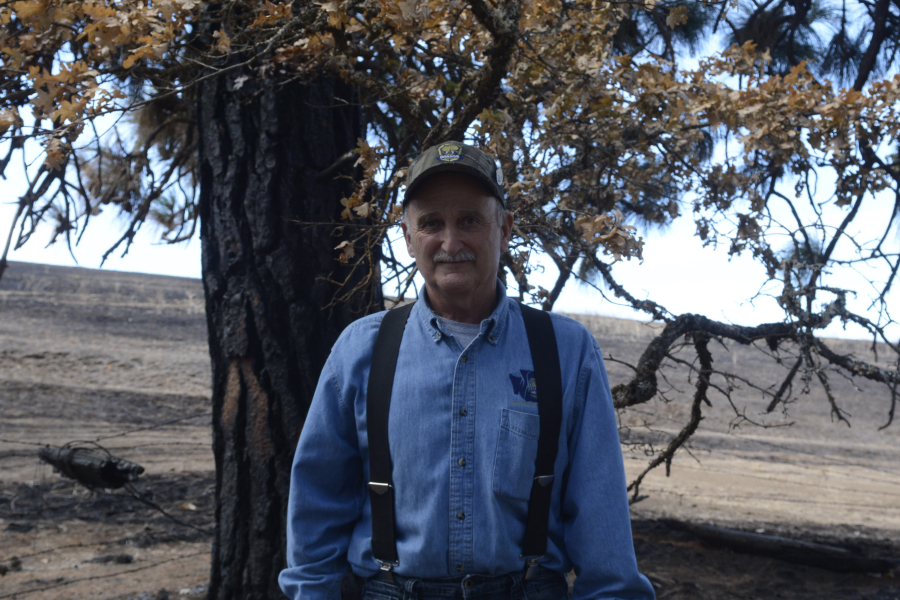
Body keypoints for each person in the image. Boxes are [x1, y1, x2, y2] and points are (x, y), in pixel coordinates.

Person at [279, 142, 655, 600]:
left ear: (505, 229)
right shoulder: (362, 349)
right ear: (408, 236)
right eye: (432, 223)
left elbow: (601, 518)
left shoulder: (566, 350)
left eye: (470, 221)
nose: (450, 243)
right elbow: (317, 505)